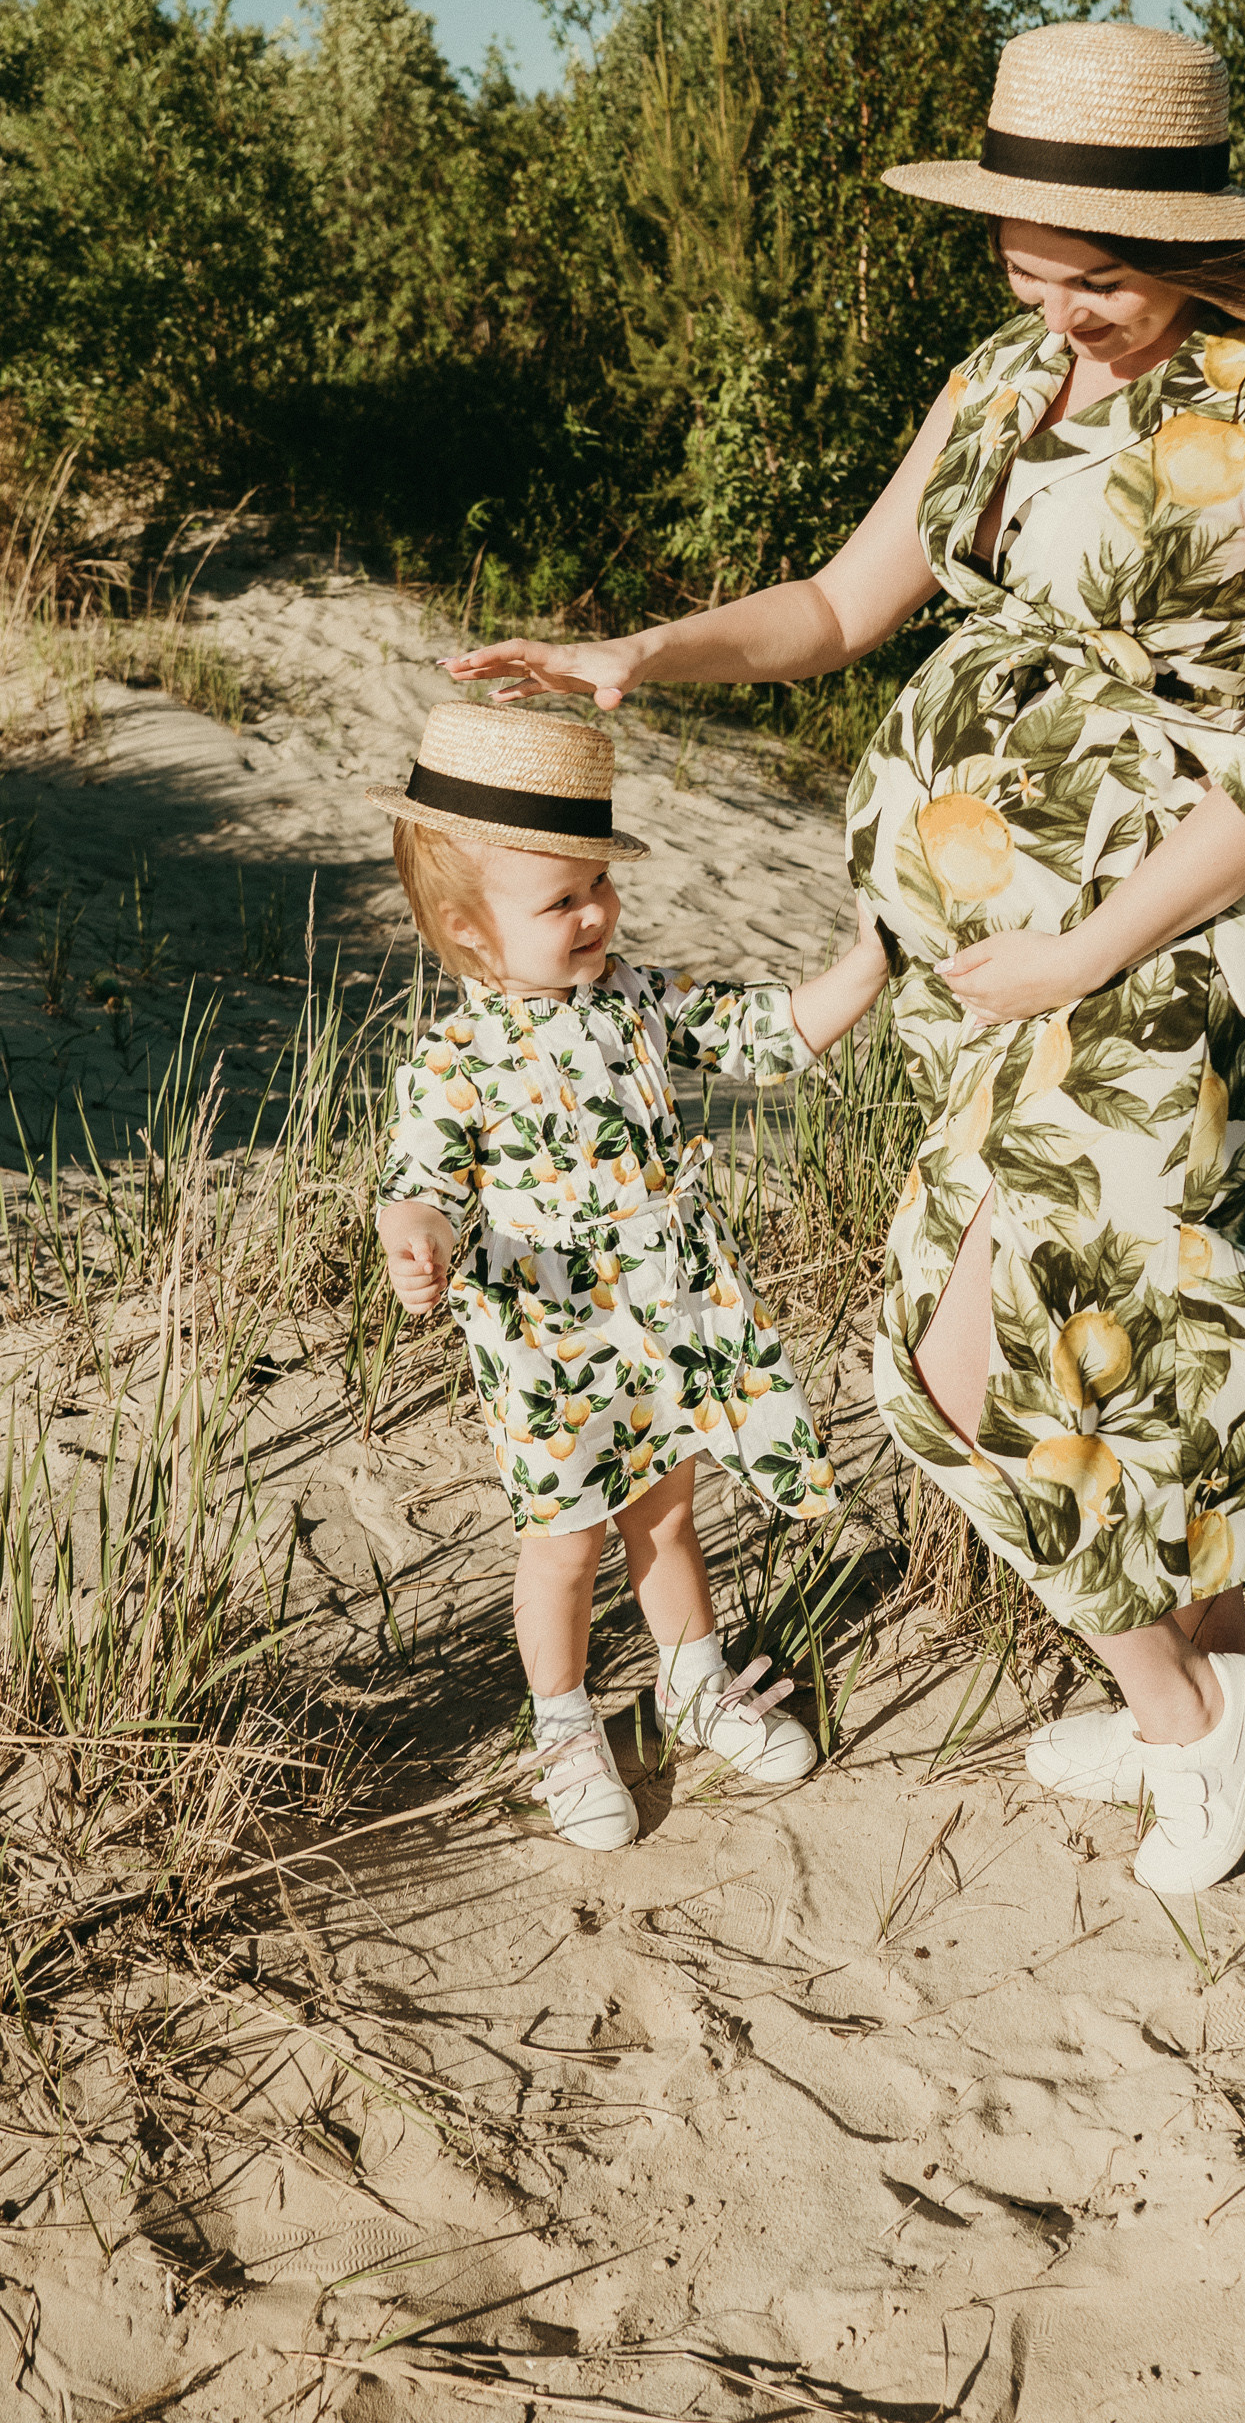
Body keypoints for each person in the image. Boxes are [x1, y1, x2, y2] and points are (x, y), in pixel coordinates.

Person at [449, 21, 1245, 1895]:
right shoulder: (1004, 374)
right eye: (1029, 269)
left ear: (1194, 244)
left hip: (1144, 976)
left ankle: (1191, 1725)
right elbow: (849, 604)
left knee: (958, 1384)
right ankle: (1221, 1682)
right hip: (985, 987)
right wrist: (641, 656)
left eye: (1097, 279)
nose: (1062, 310)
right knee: (1101, 1363)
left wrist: (1072, 947)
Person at [369, 699, 888, 1851]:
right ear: (469, 928)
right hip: (550, 1346)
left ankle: (691, 1681)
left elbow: (766, 1033)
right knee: (566, 1541)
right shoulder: (458, 1056)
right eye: (562, 899)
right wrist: (418, 1236)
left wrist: (867, 961)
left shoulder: (639, 1001)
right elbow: (418, 1176)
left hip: (666, 1323)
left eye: (601, 883)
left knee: (667, 1509)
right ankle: (561, 1721)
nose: (597, 910)